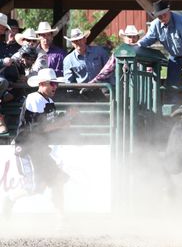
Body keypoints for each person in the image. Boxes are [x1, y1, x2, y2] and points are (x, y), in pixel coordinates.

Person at [3, 68, 75, 220]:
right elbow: (38, 127)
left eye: (55, 83)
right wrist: (62, 123)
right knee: (33, 187)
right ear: (42, 84)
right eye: (52, 84)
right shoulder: (34, 98)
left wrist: (66, 118)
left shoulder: (47, 100)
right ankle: (9, 199)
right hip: (27, 148)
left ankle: (62, 219)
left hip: (39, 148)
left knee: (57, 179)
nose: (55, 86)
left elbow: (50, 122)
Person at [137, 0, 182, 101]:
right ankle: (173, 113)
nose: (162, 18)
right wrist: (137, 46)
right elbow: (148, 39)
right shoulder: (155, 25)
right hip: (175, 57)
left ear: (169, 11)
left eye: (164, 15)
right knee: (171, 86)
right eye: (159, 16)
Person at [63, 28, 111, 100]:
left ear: (85, 39)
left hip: (102, 90)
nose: (78, 42)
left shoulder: (100, 52)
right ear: (72, 43)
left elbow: (110, 70)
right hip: (82, 94)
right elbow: (69, 84)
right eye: (75, 41)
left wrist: (111, 89)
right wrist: (72, 100)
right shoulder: (68, 60)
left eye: (80, 39)